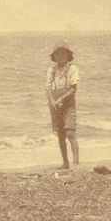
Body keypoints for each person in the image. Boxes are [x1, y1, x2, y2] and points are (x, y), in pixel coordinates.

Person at [45, 41, 80, 169]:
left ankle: (76, 163)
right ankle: (65, 163)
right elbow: (48, 88)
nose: (61, 56)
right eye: (58, 53)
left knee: (70, 133)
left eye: (64, 53)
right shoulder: (51, 70)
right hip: (54, 105)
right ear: (54, 56)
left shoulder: (72, 69)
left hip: (68, 103)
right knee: (60, 135)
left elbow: (73, 88)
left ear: (68, 55)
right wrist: (53, 101)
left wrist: (61, 99)